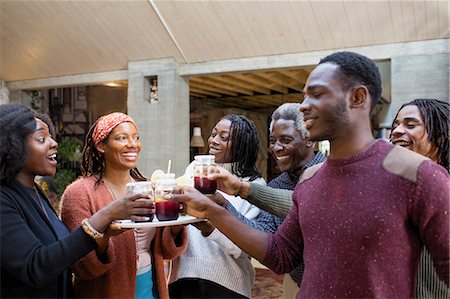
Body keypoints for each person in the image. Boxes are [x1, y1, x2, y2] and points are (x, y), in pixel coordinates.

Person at [169, 51, 449, 298]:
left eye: (317, 94)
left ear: (358, 97)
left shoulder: (420, 176)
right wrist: (213, 210)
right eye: (304, 95)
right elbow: (280, 255)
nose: (303, 105)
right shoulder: (311, 178)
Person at [0, 104, 154, 298]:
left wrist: (103, 236)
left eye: (50, 137)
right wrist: (108, 213)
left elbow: (62, 253)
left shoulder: (35, 192)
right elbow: (35, 266)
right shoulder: (4, 199)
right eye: (41, 139)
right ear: (12, 146)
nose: (54, 143)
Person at [61, 112, 187, 299]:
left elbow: (168, 251)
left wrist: (178, 220)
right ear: (101, 145)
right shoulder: (79, 194)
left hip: (149, 288)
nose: (132, 144)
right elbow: (82, 266)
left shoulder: (149, 188)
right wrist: (104, 235)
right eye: (122, 138)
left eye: (136, 138)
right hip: (105, 291)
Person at [209, 103, 325, 298]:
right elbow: (265, 237)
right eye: (273, 141)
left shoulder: (330, 175)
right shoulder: (276, 184)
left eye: (286, 140)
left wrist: (239, 189)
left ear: (309, 140)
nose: (277, 148)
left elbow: (308, 205)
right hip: (296, 282)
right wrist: (223, 206)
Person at [168, 114, 265, 299]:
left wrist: (209, 228)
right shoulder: (194, 170)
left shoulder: (253, 186)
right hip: (184, 275)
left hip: (228, 281)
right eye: (213, 134)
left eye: (224, 137)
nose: (213, 141)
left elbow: (245, 246)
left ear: (241, 144)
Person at [391, 98, 450, 299]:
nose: (396, 131)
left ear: (440, 137)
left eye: (410, 124)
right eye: (395, 124)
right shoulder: (389, 188)